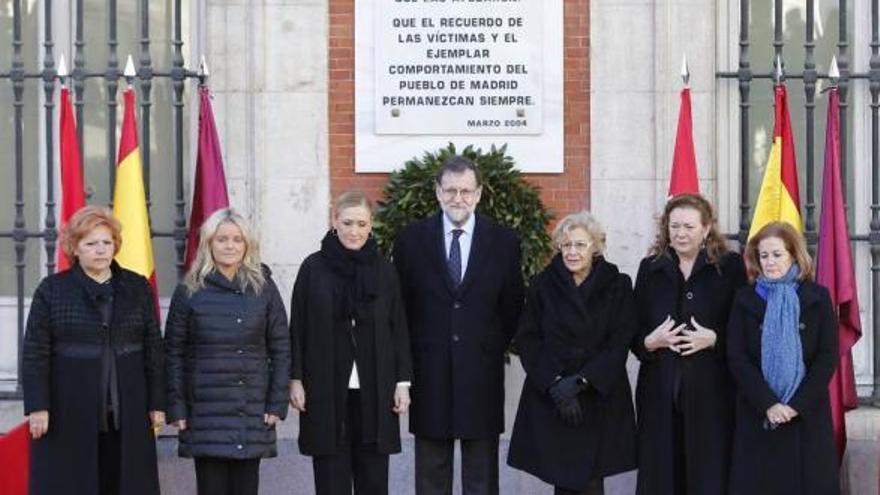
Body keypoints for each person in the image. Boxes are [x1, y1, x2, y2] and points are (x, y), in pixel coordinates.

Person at [393, 155, 524, 495]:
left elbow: (512, 307)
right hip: (429, 372)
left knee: (481, 477)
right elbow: (401, 309)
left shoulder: (504, 242)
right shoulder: (410, 241)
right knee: (431, 476)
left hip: (481, 373)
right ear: (437, 192)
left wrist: (489, 347)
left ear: (479, 194)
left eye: (466, 191)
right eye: (450, 190)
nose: (458, 198)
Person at [22, 205, 165, 495]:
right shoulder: (52, 290)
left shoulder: (136, 287)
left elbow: (153, 347)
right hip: (68, 409)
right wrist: (38, 405)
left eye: (106, 242)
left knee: (126, 482)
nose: (100, 250)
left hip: (128, 407)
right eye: (90, 243)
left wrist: (157, 403)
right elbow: (36, 350)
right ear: (74, 248)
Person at [289, 191, 413, 495]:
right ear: (334, 221)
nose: (354, 231)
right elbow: (298, 329)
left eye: (361, 223)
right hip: (324, 387)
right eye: (347, 222)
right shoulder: (312, 268)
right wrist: (295, 379)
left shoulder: (385, 271)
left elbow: (398, 328)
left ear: (371, 225)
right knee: (331, 478)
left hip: (376, 388)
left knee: (373, 479)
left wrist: (403, 383)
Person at [507, 211, 637, 495]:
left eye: (580, 244)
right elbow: (527, 339)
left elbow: (620, 342)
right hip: (554, 398)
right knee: (563, 478)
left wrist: (581, 382)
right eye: (566, 245)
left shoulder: (618, 285)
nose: (572, 252)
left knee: (592, 481)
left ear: (596, 246)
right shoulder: (542, 284)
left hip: (598, 396)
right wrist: (555, 384)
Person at [165, 208, 290, 495]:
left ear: (247, 245)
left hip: (252, 408)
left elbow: (281, 347)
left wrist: (276, 402)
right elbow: (173, 352)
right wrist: (177, 406)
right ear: (209, 244)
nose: (230, 245)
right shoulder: (189, 289)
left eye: (237, 239)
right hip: (205, 411)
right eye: (222, 239)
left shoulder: (264, 287)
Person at [632, 193, 746, 495]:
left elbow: (746, 327)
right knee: (661, 476)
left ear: (707, 229)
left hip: (713, 392)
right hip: (660, 391)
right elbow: (631, 330)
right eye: (674, 226)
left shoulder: (730, 267)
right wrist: (649, 342)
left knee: (708, 475)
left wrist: (715, 339)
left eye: (689, 227)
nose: (680, 233)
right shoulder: (649, 268)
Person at [726, 221, 839, 494]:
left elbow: (827, 357)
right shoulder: (744, 299)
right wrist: (769, 403)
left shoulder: (817, 298)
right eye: (764, 256)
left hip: (806, 417)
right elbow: (737, 357)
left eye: (777, 254)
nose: (770, 262)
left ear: (793, 254)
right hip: (759, 415)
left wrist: (795, 405)